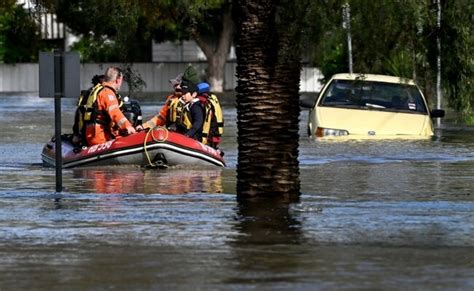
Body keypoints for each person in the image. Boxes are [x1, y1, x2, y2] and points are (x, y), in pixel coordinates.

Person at [137, 66, 201, 131]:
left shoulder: (195, 103)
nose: (175, 87)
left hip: (188, 136)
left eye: (177, 85)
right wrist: (144, 126)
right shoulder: (172, 100)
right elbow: (161, 117)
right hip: (172, 135)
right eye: (174, 85)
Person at [84, 66, 136, 146]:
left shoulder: (99, 89)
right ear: (117, 79)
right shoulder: (107, 93)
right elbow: (115, 112)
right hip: (100, 137)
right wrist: (128, 126)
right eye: (121, 80)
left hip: (92, 134)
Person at [72, 74, 105, 146]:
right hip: (93, 131)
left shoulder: (90, 92)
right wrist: (76, 133)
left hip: (89, 129)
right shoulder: (99, 93)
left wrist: (76, 133)